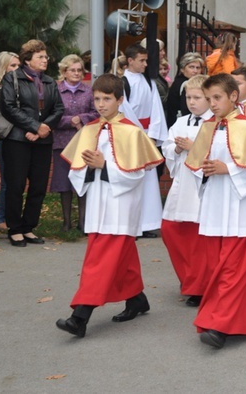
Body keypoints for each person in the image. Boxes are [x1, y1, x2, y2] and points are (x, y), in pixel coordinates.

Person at [55, 74, 164, 338]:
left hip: (121, 204)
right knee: (120, 256)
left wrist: (104, 166)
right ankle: (136, 299)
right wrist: (89, 168)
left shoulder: (132, 132)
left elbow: (137, 174)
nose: (101, 104)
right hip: (97, 202)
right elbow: (76, 172)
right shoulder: (89, 130)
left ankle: (80, 316)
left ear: (120, 100)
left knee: (99, 259)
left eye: (107, 99)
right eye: (97, 99)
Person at [185, 73, 246, 349]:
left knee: (235, 269)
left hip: (243, 209)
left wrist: (230, 169)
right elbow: (195, 168)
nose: (212, 104)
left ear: (233, 97)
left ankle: (220, 325)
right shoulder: (207, 128)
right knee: (219, 267)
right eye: (209, 98)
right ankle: (240, 321)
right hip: (216, 207)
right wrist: (204, 171)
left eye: (217, 98)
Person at [1, 39, 64, 247]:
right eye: (40, 56)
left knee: (38, 186)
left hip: (43, 141)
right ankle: (15, 228)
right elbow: (8, 107)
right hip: (18, 141)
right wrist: (34, 127)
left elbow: (58, 109)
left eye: (46, 56)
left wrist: (42, 129)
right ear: (27, 59)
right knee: (16, 185)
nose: (45, 60)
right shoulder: (12, 78)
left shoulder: (49, 81)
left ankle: (28, 227)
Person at [161, 75, 212, 307]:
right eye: (189, 97)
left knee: (197, 242)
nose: (192, 102)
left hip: (200, 189)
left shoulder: (215, 124)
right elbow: (167, 145)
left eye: (197, 97)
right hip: (181, 185)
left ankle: (199, 287)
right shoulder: (181, 122)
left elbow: (217, 153)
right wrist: (177, 149)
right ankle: (189, 279)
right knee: (171, 231)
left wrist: (194, 148)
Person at [118, 43, 168, 237]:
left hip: (147, 136)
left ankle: (146, 223)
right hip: (132, 136)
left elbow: (157, 109)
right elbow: (124, 110)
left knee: (147, 181)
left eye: (146, 60)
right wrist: (136, 133)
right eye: (142, 60)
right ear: (130, 61)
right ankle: (131, 224)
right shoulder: (122, 83)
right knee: (132, 180)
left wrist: (153, 134)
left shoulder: (149, 82)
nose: (145, 64)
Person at [50, 55, 97, 232]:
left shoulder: (89, 91)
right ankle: (66, 222)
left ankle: (83, 222)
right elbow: (52, 116)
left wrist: (81, 118)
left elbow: (95, 113)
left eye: (79, 70)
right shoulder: (56, 90)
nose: (77, 73)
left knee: (82, 182)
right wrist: (71, 121)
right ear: (64, 72)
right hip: (62, 142)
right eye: (72, 70)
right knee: (64, 183)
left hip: (83, 142)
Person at [0, 51, 21, 231]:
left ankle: (10, 217)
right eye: (12, 65)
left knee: (15, 179)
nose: (16, 69)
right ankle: (1, 218)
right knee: (7, 179)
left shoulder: (19, 83)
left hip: (17, 136)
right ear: (3, 67)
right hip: (6, 137)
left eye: (18, 65)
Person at [165, 52, 204, 127]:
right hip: (181, 124)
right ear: (182, 69)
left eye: (198, 68)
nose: (195, 71)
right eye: (191, 67)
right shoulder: (185, 85)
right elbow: (186, 110)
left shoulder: (178, 81)